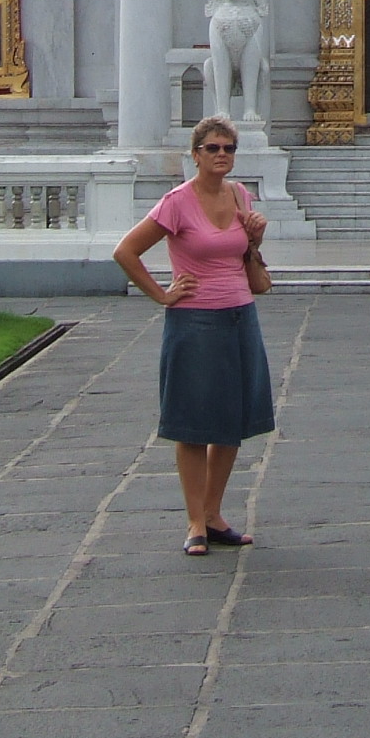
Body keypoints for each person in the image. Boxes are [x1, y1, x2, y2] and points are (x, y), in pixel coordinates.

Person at [114, 115, 274, 556]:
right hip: (195, 321)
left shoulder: (241, 195)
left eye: (229, 149)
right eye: (213, 149)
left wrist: (255, 240)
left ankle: (214, 514)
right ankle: (193, 522)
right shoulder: (176, 203)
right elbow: (125, 251)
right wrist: (162, 295)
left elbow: (246, 257)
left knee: (230, 422)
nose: (222, 156)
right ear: (195, 153)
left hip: (240, 313)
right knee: (193, 422)